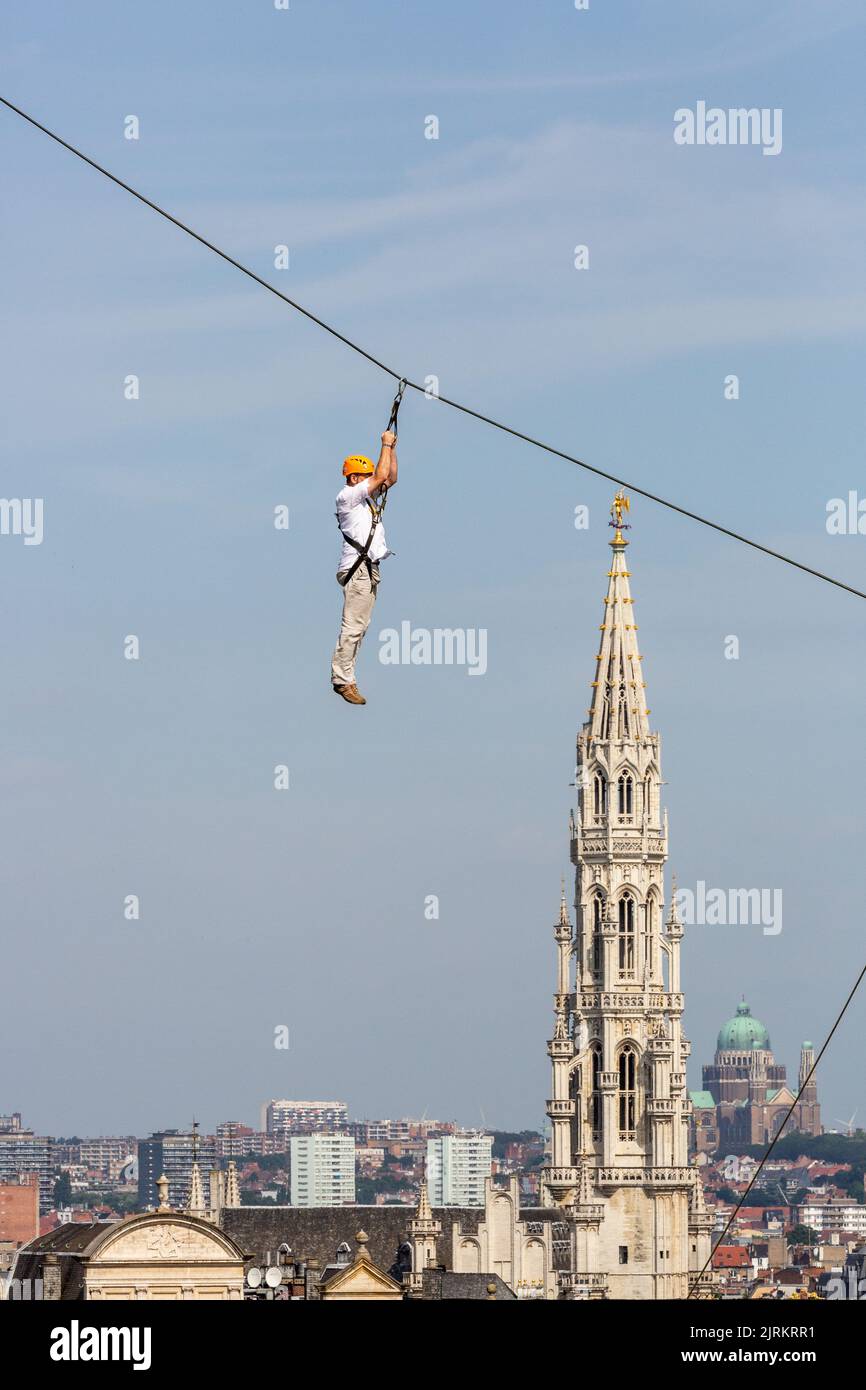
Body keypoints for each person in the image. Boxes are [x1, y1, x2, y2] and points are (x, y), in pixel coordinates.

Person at [330, 428, 397, 704]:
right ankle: (342, 679)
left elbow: (389, 478)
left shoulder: (366, 501)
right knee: (353, 626)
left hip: (368, 569)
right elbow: (381, 477)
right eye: (366, 478)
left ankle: (345, 676)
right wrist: (384, 443)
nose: (372, 482)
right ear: (355, 478)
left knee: (360, 626)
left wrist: (391, 449)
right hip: (358, 569)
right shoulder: (347, 497)